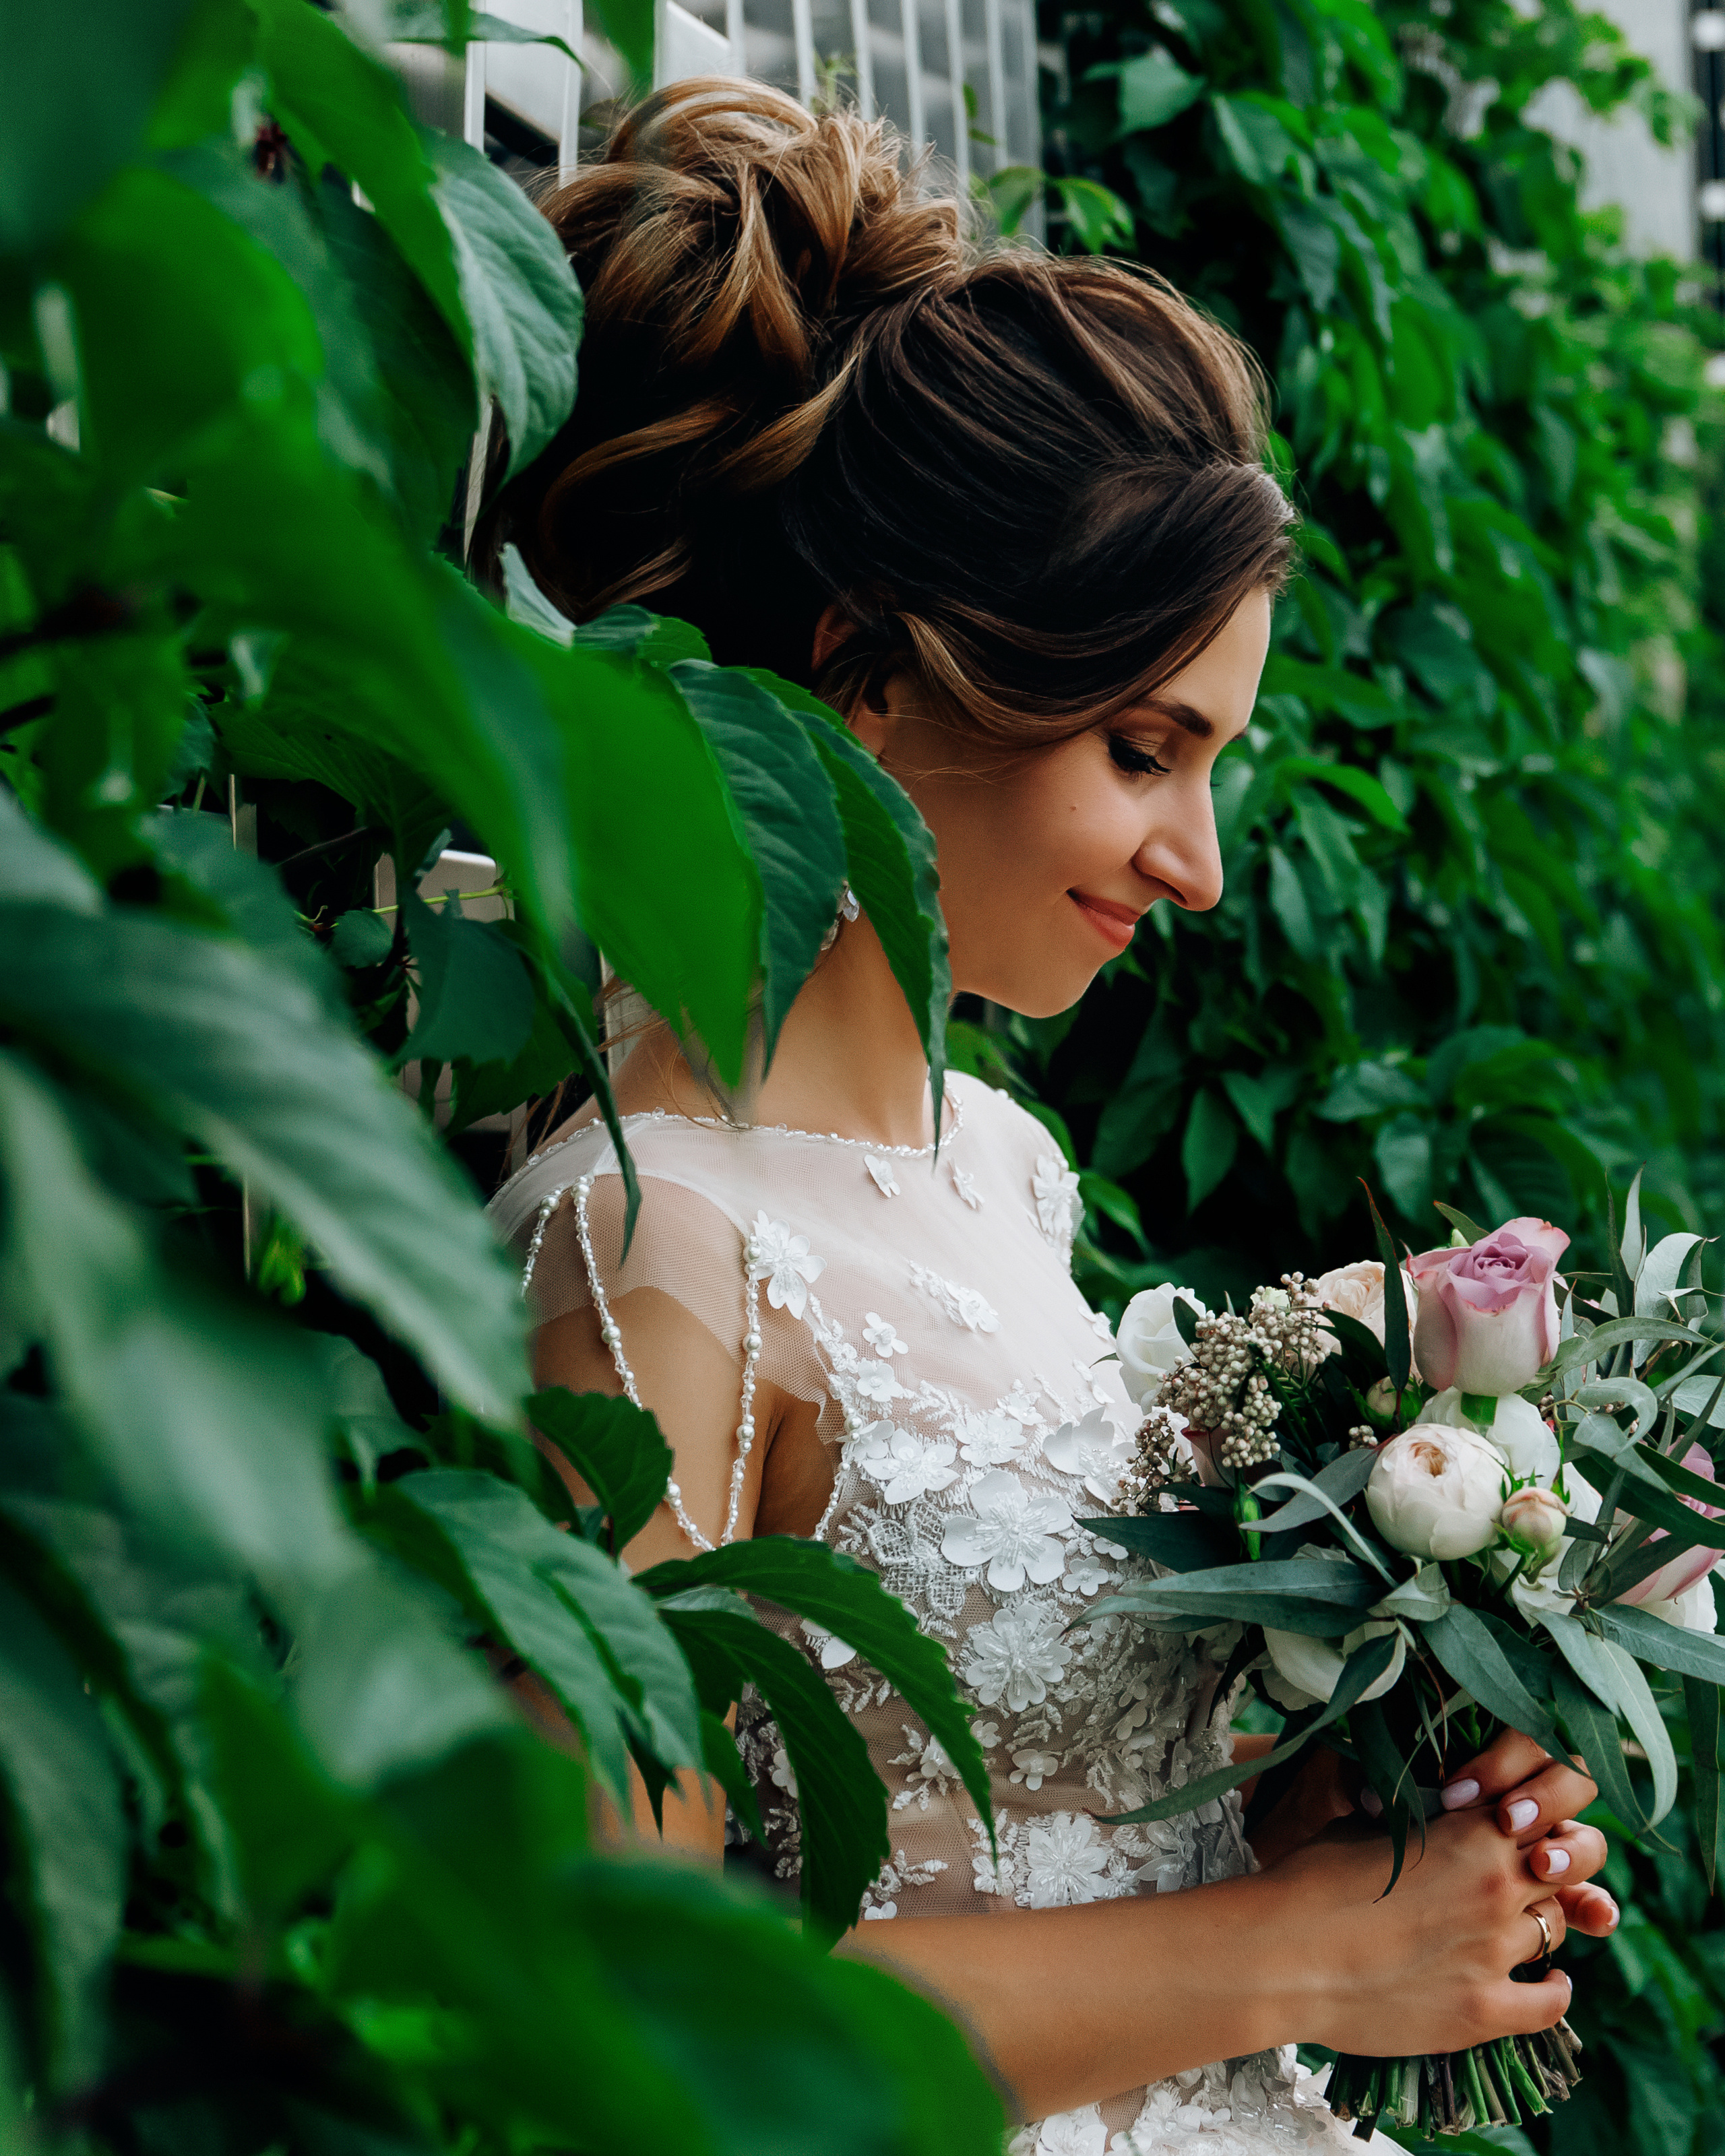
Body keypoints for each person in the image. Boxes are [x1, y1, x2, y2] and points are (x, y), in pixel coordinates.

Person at [482, 80, 1619, 2154]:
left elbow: (1038, 1821)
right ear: (868, 677)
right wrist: (1292, 1953)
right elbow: (617, 2028)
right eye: (1142, 749)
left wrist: (1349, 1825)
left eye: (1215, 764)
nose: (1200, 862)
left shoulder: (1000, 1169)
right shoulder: (650, 1243)